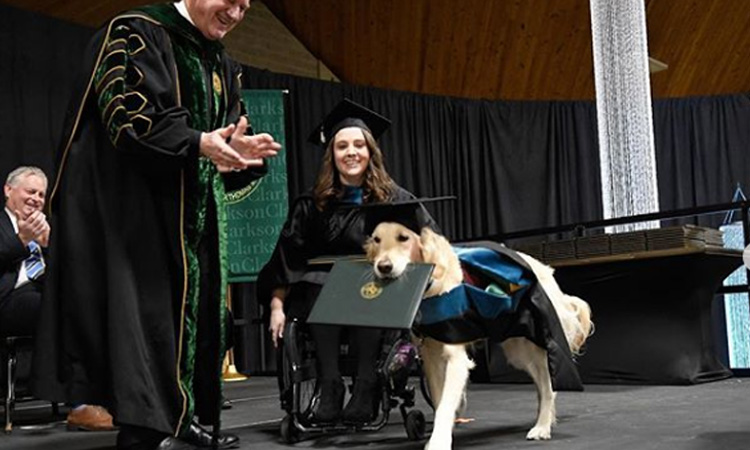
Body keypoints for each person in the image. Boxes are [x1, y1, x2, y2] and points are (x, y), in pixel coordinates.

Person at [31, 0, 282, 449]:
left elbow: (220, 139)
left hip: (191, 220)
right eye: (231, 1)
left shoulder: (222, 62)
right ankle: (143, 433)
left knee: (193, 322)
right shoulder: (138, 31)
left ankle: (181, 418)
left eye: (246, 6)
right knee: (144, 329)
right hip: (135, 220)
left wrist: (236, 151)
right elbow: (126, 118)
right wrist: (198, 143)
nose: (236, 14)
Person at [257, 99, 437, 425]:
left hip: (377, 291)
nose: (351, 152)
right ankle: (331, 385)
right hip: (319, 292)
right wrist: (276, 306)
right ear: (332, 155)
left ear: (370, 152)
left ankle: (367, 384)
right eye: (342, 146)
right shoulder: (311, 205)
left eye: (358, 145)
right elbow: (286, 257)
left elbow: (430, 243)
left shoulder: (394, 201)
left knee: (365, 286)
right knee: (319, 284)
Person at [0, 167, 49, 339]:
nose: (36, 199)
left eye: (41, 195)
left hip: (44, 291)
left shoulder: (48, 230)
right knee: (52, 306)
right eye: (31, 191)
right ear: (8, 190)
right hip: (8, 299)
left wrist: (49, 246)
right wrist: (22, 239)